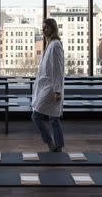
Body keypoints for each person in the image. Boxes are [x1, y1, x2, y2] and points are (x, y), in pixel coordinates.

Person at [31, 18, 65, 152]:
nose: (44, 30)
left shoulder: (55, 45)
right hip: (46, 85)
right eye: (43, 27)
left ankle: (50, 142)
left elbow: (58, 69)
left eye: (47, 27)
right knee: (54, 118)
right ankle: (58, 146)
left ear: (53, 28)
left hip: (51, 87)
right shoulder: (50, 43)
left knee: (36, 116)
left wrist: (57, 91)